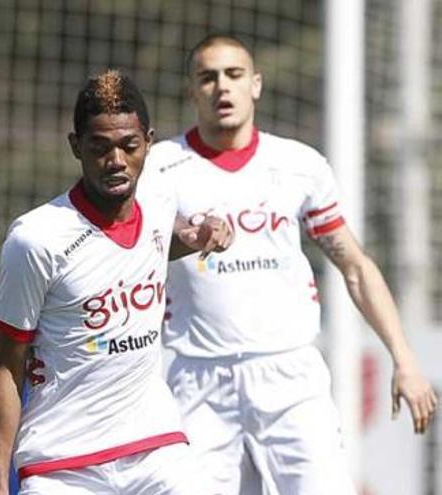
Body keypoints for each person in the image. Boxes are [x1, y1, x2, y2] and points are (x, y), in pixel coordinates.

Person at [148, 34, 438, 494]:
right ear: (191, 91)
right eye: (208, 77)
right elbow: (126, 252)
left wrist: (405, 360)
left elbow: (356, 267)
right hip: (197, 379)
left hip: (288, 376)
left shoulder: (299, 165)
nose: (222, 87)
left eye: (234, 74)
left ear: (256, 85)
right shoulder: (161, 167)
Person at [0, 69, 232, 495]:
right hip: (62, 465)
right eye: (99, 148)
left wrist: (201, 233)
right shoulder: (35, 239)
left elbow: (155, 240)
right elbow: (8, 365)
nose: (116, 161)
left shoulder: (159, 198)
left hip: (155, 447)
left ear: (148, 142)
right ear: (76, 146)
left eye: (129, 146)